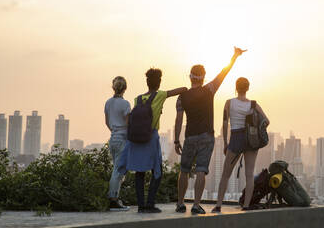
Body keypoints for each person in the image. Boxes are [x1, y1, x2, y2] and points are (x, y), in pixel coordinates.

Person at [174, 47, 246, 215]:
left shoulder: (182, 97)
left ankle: (179, 203)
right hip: (206, 136)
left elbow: (178, 120)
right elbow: (224, 72)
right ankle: (196, 205)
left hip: (189, 136)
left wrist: (176, 140)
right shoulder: (210, 89)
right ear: (203, 77)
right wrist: (235, 56)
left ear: (190, 77)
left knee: (184, 170)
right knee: (201, 170)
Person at [118, 68, 187, 213]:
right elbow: (182, 89)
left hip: (136, 139)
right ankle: (150, 204)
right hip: (151, 137)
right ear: (159, 82)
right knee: (157, 171)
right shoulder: (160, 95)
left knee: (139, 172)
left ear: (147, 82)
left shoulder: (137, 99)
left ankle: (141, 206)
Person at [211, 77, 269, 212]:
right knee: (249, 175)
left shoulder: (229, 103)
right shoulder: (253, 105)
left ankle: (218, 205)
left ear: (236, 88)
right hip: (251, 140)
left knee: (226, 174)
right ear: (247, 88)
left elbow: (225, 124)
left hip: (236, 138)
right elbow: (266, 121)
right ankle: (246, 206)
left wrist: (225, 143)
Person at [105, 76, 131, 211]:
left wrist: (115, 130)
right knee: (118, 170)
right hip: (122, 139)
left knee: (117, 169)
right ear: (125, 88)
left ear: (113, 87)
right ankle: (113, 199)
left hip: (113, 138)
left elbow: (107, 122)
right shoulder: (125, 104)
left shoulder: (108, 103)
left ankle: (115, 197)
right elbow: (128, 124)